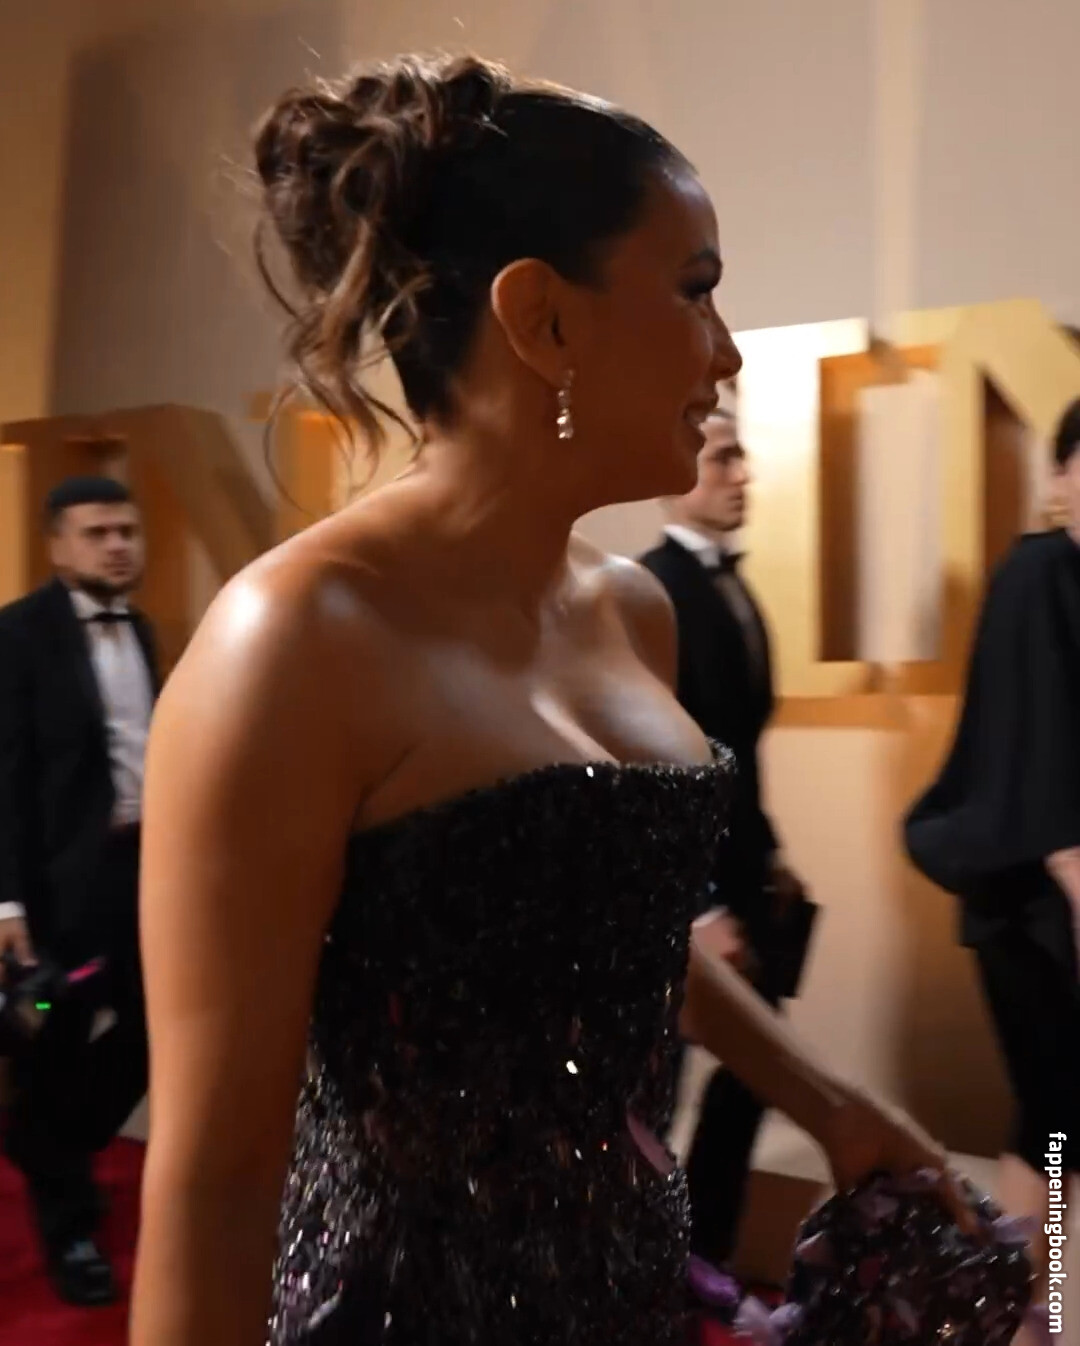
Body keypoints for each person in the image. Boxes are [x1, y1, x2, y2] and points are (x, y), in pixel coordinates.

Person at [131, 54, 970, 1346]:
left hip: (628, 1295)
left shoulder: (633, 612)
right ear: (543, 319)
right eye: (695, 288)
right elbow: (215, 1186)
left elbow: (612, 933)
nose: (725, 349)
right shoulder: (291, 645)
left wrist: (833, 1101)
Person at [906, 398, 1080, 1324]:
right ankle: (1026, 1314)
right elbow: (1037, 754)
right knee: (1055, 1118)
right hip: (1032, 901)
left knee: (1058, 1119)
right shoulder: (1038, 571)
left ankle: (1029, 1312)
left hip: (1052, 894)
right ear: (1058, 478)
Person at [640, 398, 809, 1268]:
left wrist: (769, 854)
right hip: (677, 895)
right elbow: (651, 761)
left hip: (743, 873)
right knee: (651, 1099)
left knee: (753, 1081)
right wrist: (697, 907)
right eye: (722, 458)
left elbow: (736, 750)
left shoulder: (733, 587)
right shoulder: (648, 591)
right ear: (675, 473)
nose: (742, 476)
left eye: (742, 457)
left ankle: (703, 1261)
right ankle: (647, 1274)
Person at [0, 475, 158, 1306]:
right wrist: (6, 903)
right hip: (56, 889)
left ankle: (44, 1141)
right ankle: (68, 1233)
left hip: (141, 873)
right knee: (52, 1043)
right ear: (57, 544)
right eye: (97, 533)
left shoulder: (145, 628)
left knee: (152, 1028)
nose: (117, 545)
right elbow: (2, 779)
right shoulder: (17, 635)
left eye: (126, 530)